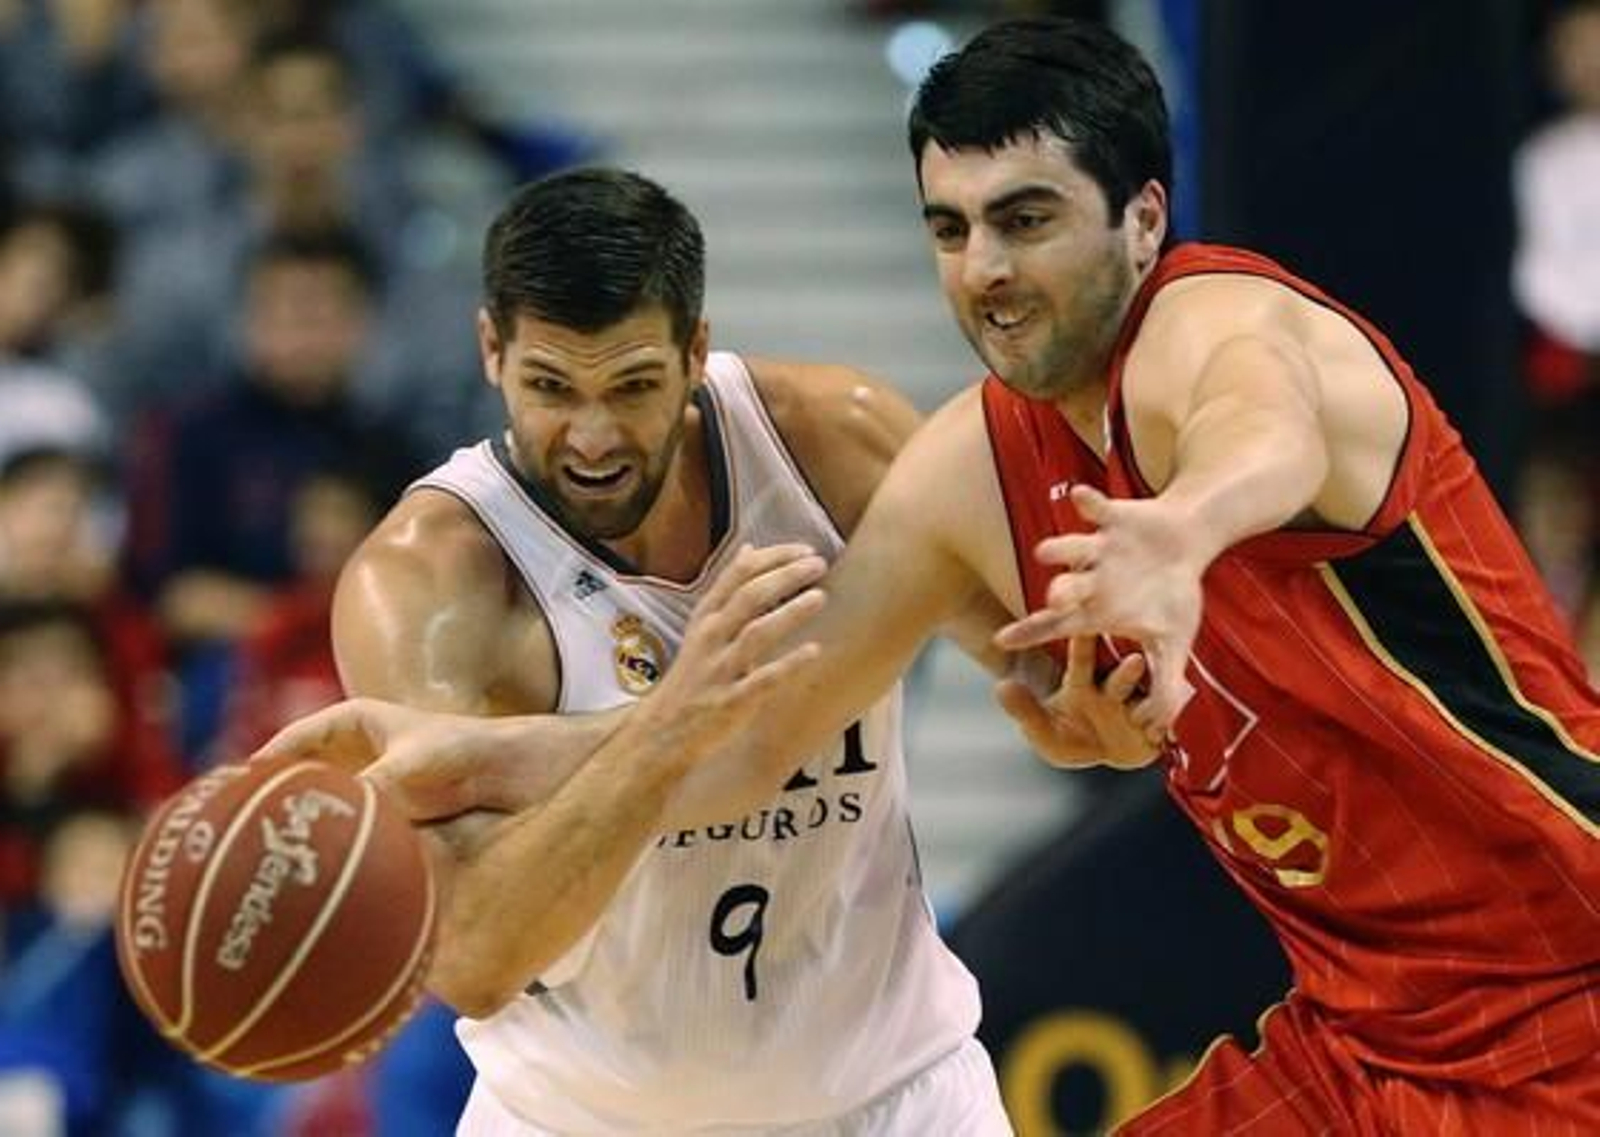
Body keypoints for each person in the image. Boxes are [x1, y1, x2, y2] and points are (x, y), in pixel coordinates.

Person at [267, 17, 1600, 1131]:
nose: (989, 271)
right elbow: (748, 751)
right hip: (1358, 1036)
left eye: (1027, 220)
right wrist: (460, 754)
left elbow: (1270, 422)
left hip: (1562, 993)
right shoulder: (969, 465)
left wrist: (1184, 527)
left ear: (1143, 218)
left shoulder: (1215, 320)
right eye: (952, 229)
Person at [271, 167, 1023, 1134]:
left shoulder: (833, 444)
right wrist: (677, 715)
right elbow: (476, 958)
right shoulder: (427, 584)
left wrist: (1094, 661)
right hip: (577, 1117)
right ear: (491, 349)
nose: (592, 437)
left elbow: (1051, 692)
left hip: (894, 1093)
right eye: (550, 386)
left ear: (696, 351)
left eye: (632, 386)